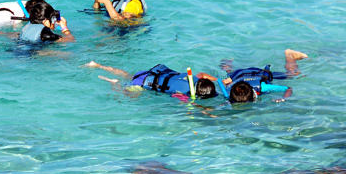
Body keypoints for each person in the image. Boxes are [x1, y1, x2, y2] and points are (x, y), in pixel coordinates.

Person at [83, 61, 218, 100]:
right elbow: (177, 98)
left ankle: (98, 65)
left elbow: (202, 74)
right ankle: (115, 83)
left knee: (127, 75)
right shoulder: (183, 94)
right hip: (143, 83)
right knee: (131, 95)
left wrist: (217, 80)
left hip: (151, 73)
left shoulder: (196, 78)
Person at [221, 49, 308, 103]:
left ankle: (290, 55)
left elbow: (288, 88)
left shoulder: (263, 87)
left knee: (292, 74)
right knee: (230, 76)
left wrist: (284, 98)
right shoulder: (230, 91)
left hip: (258, 74)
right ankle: (227, 64)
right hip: (238, 74)